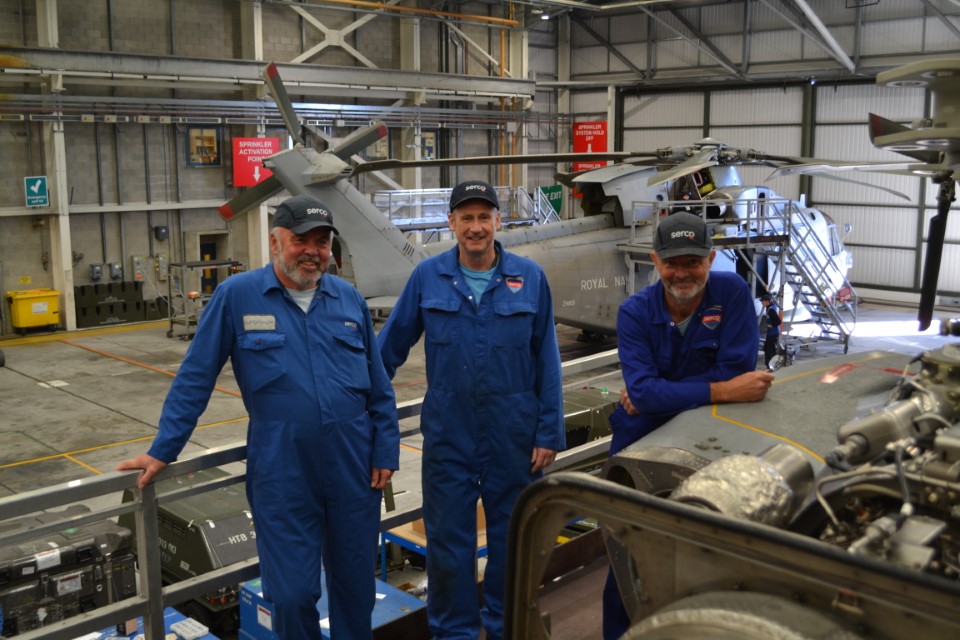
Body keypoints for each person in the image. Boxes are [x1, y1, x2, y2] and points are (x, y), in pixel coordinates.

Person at [116, 194, 400, 640]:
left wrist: (385, 447)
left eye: (322, 241)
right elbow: (196, 377)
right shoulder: (237, 297)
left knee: (355, 591)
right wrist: (163, 449)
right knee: (289, 595)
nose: (312, 251)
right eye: (301, 240)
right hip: (283, 473)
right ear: (275, 242)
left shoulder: (349, 300)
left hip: (355, 471)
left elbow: (379, 387)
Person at [377, 180, 564, 640]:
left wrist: (549, 432)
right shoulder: (428, 277)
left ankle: (505, 628)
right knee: (448, 549)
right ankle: (454, 633)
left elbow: (548, 360)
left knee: (512, 543)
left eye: (485, 217)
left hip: (515, 440)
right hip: (448, 440)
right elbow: (387, 351)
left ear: (499, 222)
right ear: (452, 224)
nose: (476, 228)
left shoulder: (530, 278)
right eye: (467, 218)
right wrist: (364, 408)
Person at [602, 211, 775, 639]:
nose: (683, 273)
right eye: (673, 262)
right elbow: (647, 394)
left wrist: (660, 392)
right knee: (628, 552)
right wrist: (722, 390)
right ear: (655, 261)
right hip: (641, 443)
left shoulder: (732, 292)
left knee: (711, 550)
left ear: (711, 258)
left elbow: (736, 367)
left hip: (711, 443)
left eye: (693, 262)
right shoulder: (634, 312)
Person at [761, 292, 782, 369]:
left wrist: (771, 325)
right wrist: (767, 291)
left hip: (773, 333)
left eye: (763, 302)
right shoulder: (770, 306)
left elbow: (778, 321)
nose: (762, 304)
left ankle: (772, 365)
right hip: (770, 333)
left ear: (767, 301)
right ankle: (768, 364)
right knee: (766, 348)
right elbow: (770, 296)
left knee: (770, 349)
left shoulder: (771, 310)